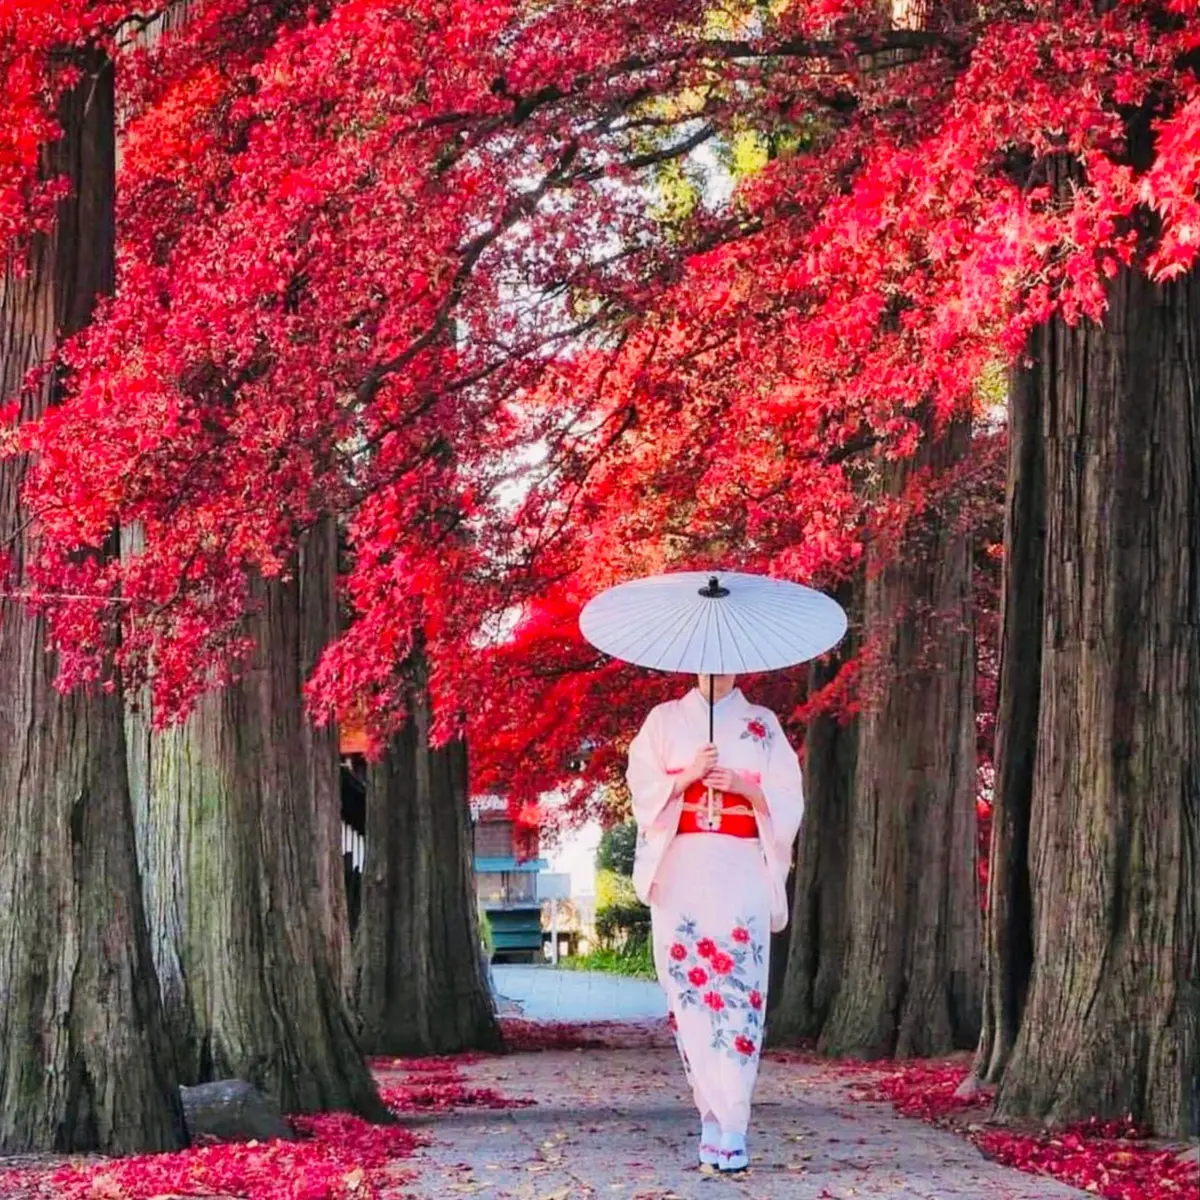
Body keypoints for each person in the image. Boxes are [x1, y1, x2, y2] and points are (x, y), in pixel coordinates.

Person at [626, 673, 804, 1173]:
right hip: (682, 867)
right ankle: (708, 1115)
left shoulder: (762, 725)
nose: (716, 672)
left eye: (726, 664)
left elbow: (791, 799)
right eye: (706, 664)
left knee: (739, 991)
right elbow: (642, 792)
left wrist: (747, 788)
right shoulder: (663, 721)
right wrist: (685, 778)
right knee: (689, 994)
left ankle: (735, 1126)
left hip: (740, 865)